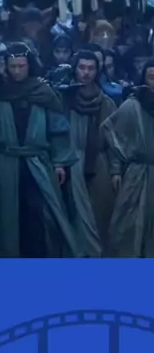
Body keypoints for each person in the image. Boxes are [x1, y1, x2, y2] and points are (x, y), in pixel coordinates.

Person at [0, 43, 83, 257]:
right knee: (7, 215)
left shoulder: (44, 92)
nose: (17, 71)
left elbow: (57, 128)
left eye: (21, 66)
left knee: (40, 214)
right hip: (6, 162)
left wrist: (59, 162)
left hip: (38, 161)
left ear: (29, 66)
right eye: (13, 66)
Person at [59, 50, 116, 252]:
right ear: (75, 69)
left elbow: (113, 141)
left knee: (96, 213)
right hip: (68, 160)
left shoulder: (106, 103)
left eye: (91, 68)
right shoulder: (64, 98)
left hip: (97, 162)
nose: (86, 73)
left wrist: (115, 170)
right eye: (82, 67)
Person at [102, 58, 154, 257]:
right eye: (152, 77)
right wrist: (116, 169)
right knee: (129, 226)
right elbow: (115, 136)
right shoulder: (133, 106)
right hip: (138, 174)